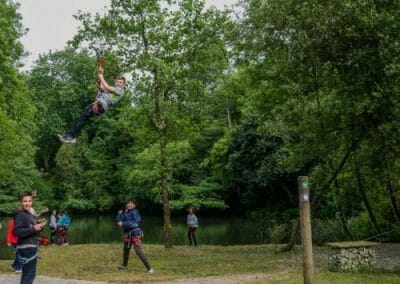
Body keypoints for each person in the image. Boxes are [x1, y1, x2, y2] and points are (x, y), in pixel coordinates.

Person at [58, 65, 127, 144]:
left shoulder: (120, 91)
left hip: (101, 106)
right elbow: (101, 88)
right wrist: (100, 75)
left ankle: (71, 136)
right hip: (99, 105)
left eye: (120, 83)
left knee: (83, 117)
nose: (118, 83)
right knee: (83, 118)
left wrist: (101, 77)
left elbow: (106, 87)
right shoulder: (112, 91)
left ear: (124, 85)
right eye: (117, 82)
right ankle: (71, 136)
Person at [13, 191, 46, 284]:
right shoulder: (20, 214)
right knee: (29, 275)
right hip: (26, 247)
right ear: (21, 202)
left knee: (28, 274)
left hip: (31, 246)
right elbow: (16, 232)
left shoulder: (28, 214)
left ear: (32, 202)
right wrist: (34, 228)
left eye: (29, 201)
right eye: (24, 201)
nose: (27, 203)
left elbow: (32, 229)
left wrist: (39, 226)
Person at [116, 200, 154, 273]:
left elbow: (135, 223)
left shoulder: (135, 212)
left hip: (135, 233)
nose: (129, 204)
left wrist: (123, 224)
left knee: (138, 251)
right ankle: (124, 265)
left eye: (131, 203)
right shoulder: (125, 213)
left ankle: (150, 269)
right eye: (128, 203)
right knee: (125, 250)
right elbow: (118, 220)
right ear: (126, 205)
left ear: (134, 205)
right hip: (127, 234)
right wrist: (119, 213)